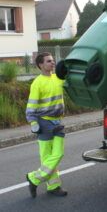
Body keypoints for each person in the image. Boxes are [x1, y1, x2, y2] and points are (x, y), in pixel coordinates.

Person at [25, 52, 68, 198]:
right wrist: (33, 122)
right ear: (40, 65)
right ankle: (54, 186)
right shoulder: (37, 83)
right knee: (47, 157)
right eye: (49, 61)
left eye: (53, 60)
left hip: (58, 121)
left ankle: (33, 178)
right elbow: (31, 105)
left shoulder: (58, 78)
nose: (52, 63)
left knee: (57, 154)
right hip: (44, 122)